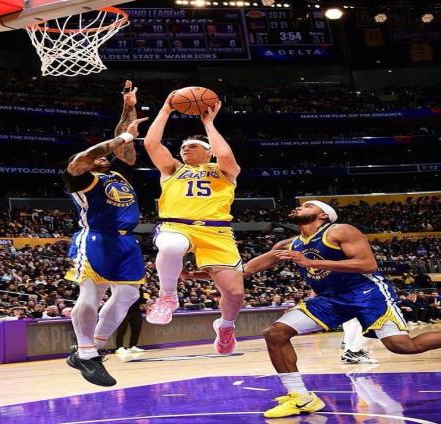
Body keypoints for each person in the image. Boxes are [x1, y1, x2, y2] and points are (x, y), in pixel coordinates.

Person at [243, 200, 441, 418]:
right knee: (275, 333)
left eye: (308, 206)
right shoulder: (289, 244)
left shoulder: (341, 231)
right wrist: (217, 272)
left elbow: (368, 264)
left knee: (402, 346)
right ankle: (301, 397)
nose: (299, 207)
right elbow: (248, 269)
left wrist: (312, 263)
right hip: (331, 298)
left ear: (324, 215)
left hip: (366, 293)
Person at [63, 80, 148, 387]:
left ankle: (93, 348)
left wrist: (128, 107)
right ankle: (86, 352)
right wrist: (122, 137)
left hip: (126, 240)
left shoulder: (117, 173)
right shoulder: (78, 177)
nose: (103, 157)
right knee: (91, 295)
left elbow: (124, 146)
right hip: (97, 237)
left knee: (129, 294)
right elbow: (88, 155)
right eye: (97, 157)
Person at [144, 95, 243, 355]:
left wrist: (208, 123)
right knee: (171, 245)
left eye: (193, 146)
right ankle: (167, 296)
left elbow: (224, 154)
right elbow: (151, 144)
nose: (185, 149)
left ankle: (225, 326)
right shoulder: (172, 169)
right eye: (183, 147)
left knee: (234, 294)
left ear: (208, 151)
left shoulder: (225, 171)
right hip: (177, 225)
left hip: (217, 231)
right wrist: (165, 109)